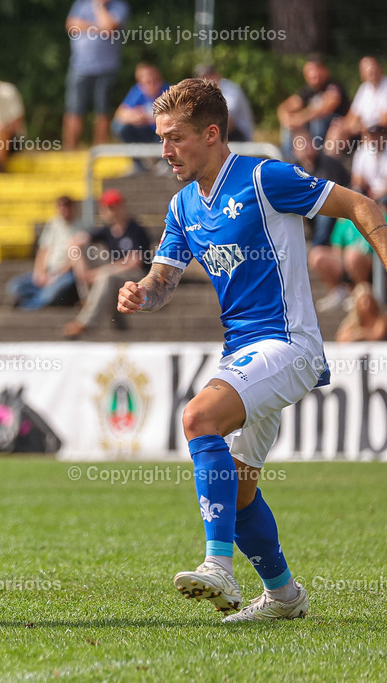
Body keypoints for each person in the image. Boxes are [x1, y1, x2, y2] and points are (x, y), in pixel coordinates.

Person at [117, 78, 387, 622]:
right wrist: (144, 292)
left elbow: (360, 204)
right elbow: (164, 279)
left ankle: (218, 565)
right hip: (242, 353)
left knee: (197, 417)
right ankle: (284, 597)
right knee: (237, 493)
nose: (164, 151)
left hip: (289, 344)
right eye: (160, 138)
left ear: (212, 134)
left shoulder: (266, 178)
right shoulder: (182, 205)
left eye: (174, 138)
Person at [62, 188, 149, 338]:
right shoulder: (107, 230)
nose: (111, 212)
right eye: (108, 208)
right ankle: (88, 300)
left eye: (114, 207)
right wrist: (83, 271)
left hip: (138, 276)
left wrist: (95, 274)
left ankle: (86, 322)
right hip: (116, 274)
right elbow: (75, 242)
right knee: (80, 252)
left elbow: (134, 262)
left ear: (122, 207)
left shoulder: (135, 229)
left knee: (106, 276)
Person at [63, 0, 130, 149]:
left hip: (106, 68)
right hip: (78, 67)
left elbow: (109, 27)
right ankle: (69, 150)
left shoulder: (120, 6)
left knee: (102, 110)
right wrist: (98, 27)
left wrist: (99, 7)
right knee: (73, 110)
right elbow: (70, 25)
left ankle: (100, 150)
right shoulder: (80, 4)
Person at [5, 196, 80, 311]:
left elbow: (75, 258)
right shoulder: (54, 223)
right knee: (14, 286)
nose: (63, 211)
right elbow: (44, 249)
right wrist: (39, 272)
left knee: (51, 294)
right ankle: (38, 299)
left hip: (66, 273)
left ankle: (26, 305)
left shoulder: (81, 227)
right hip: (49, 271)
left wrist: (56, 276)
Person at [277, 56, 350, 162]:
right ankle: (288, 159)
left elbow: (327, 106)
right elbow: (285, 107)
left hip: (335, 131)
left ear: (324, 71)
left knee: (318, 120)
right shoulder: (308, 91)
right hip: (311, 132)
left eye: (316, 70)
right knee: (290, 125)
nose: (313, 74)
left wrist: (300, 118)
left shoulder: (333, 86)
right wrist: (287, 119)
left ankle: (318, 159)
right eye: (310, 71)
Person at [291, 129, 350, 247]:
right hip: (309, 206)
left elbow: (332, 193)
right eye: (300, 145)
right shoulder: (293, 168)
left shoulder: (328, 164)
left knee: (324, 213)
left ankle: (318, 245)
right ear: (294, 151)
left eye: (308, 143)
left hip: (337, 204)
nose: (306, 147)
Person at [308, 216, 375, 312]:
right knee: (316, 254)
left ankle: (361, 293)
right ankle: (339, 292)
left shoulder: (376, 215)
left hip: (371, 261)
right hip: (347, 259)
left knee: (352, 256)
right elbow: (337, 248)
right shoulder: (344, 220)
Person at [325, 56, 387, 156]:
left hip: (378, 132)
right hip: (363, 129)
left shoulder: (385, 87)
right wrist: (344, 126)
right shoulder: (364, 89)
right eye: (367, 71)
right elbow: (352, 116)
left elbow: (384, 121)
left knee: (368, 135)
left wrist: (362, 127)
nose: (371, 73)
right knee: (336, 131)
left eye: (373, 69)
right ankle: (327, 165)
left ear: (380, 68)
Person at [112, 62, 169, 144]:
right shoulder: (137, 91)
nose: (151, 85)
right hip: (144, 131)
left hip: (162, 133)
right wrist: (135, 117)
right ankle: (137, 155)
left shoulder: (168, 91)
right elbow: (120, 113)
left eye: (155, 81)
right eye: (148, 82)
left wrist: (154, 118)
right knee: (119, 125)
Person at [196, 65, 254, 142]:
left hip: (239, 136)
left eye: (209, 76)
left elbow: (227, 121)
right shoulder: (200, 93)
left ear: (217, 76)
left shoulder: (231, 90)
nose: (206, 81)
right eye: (202, 78)